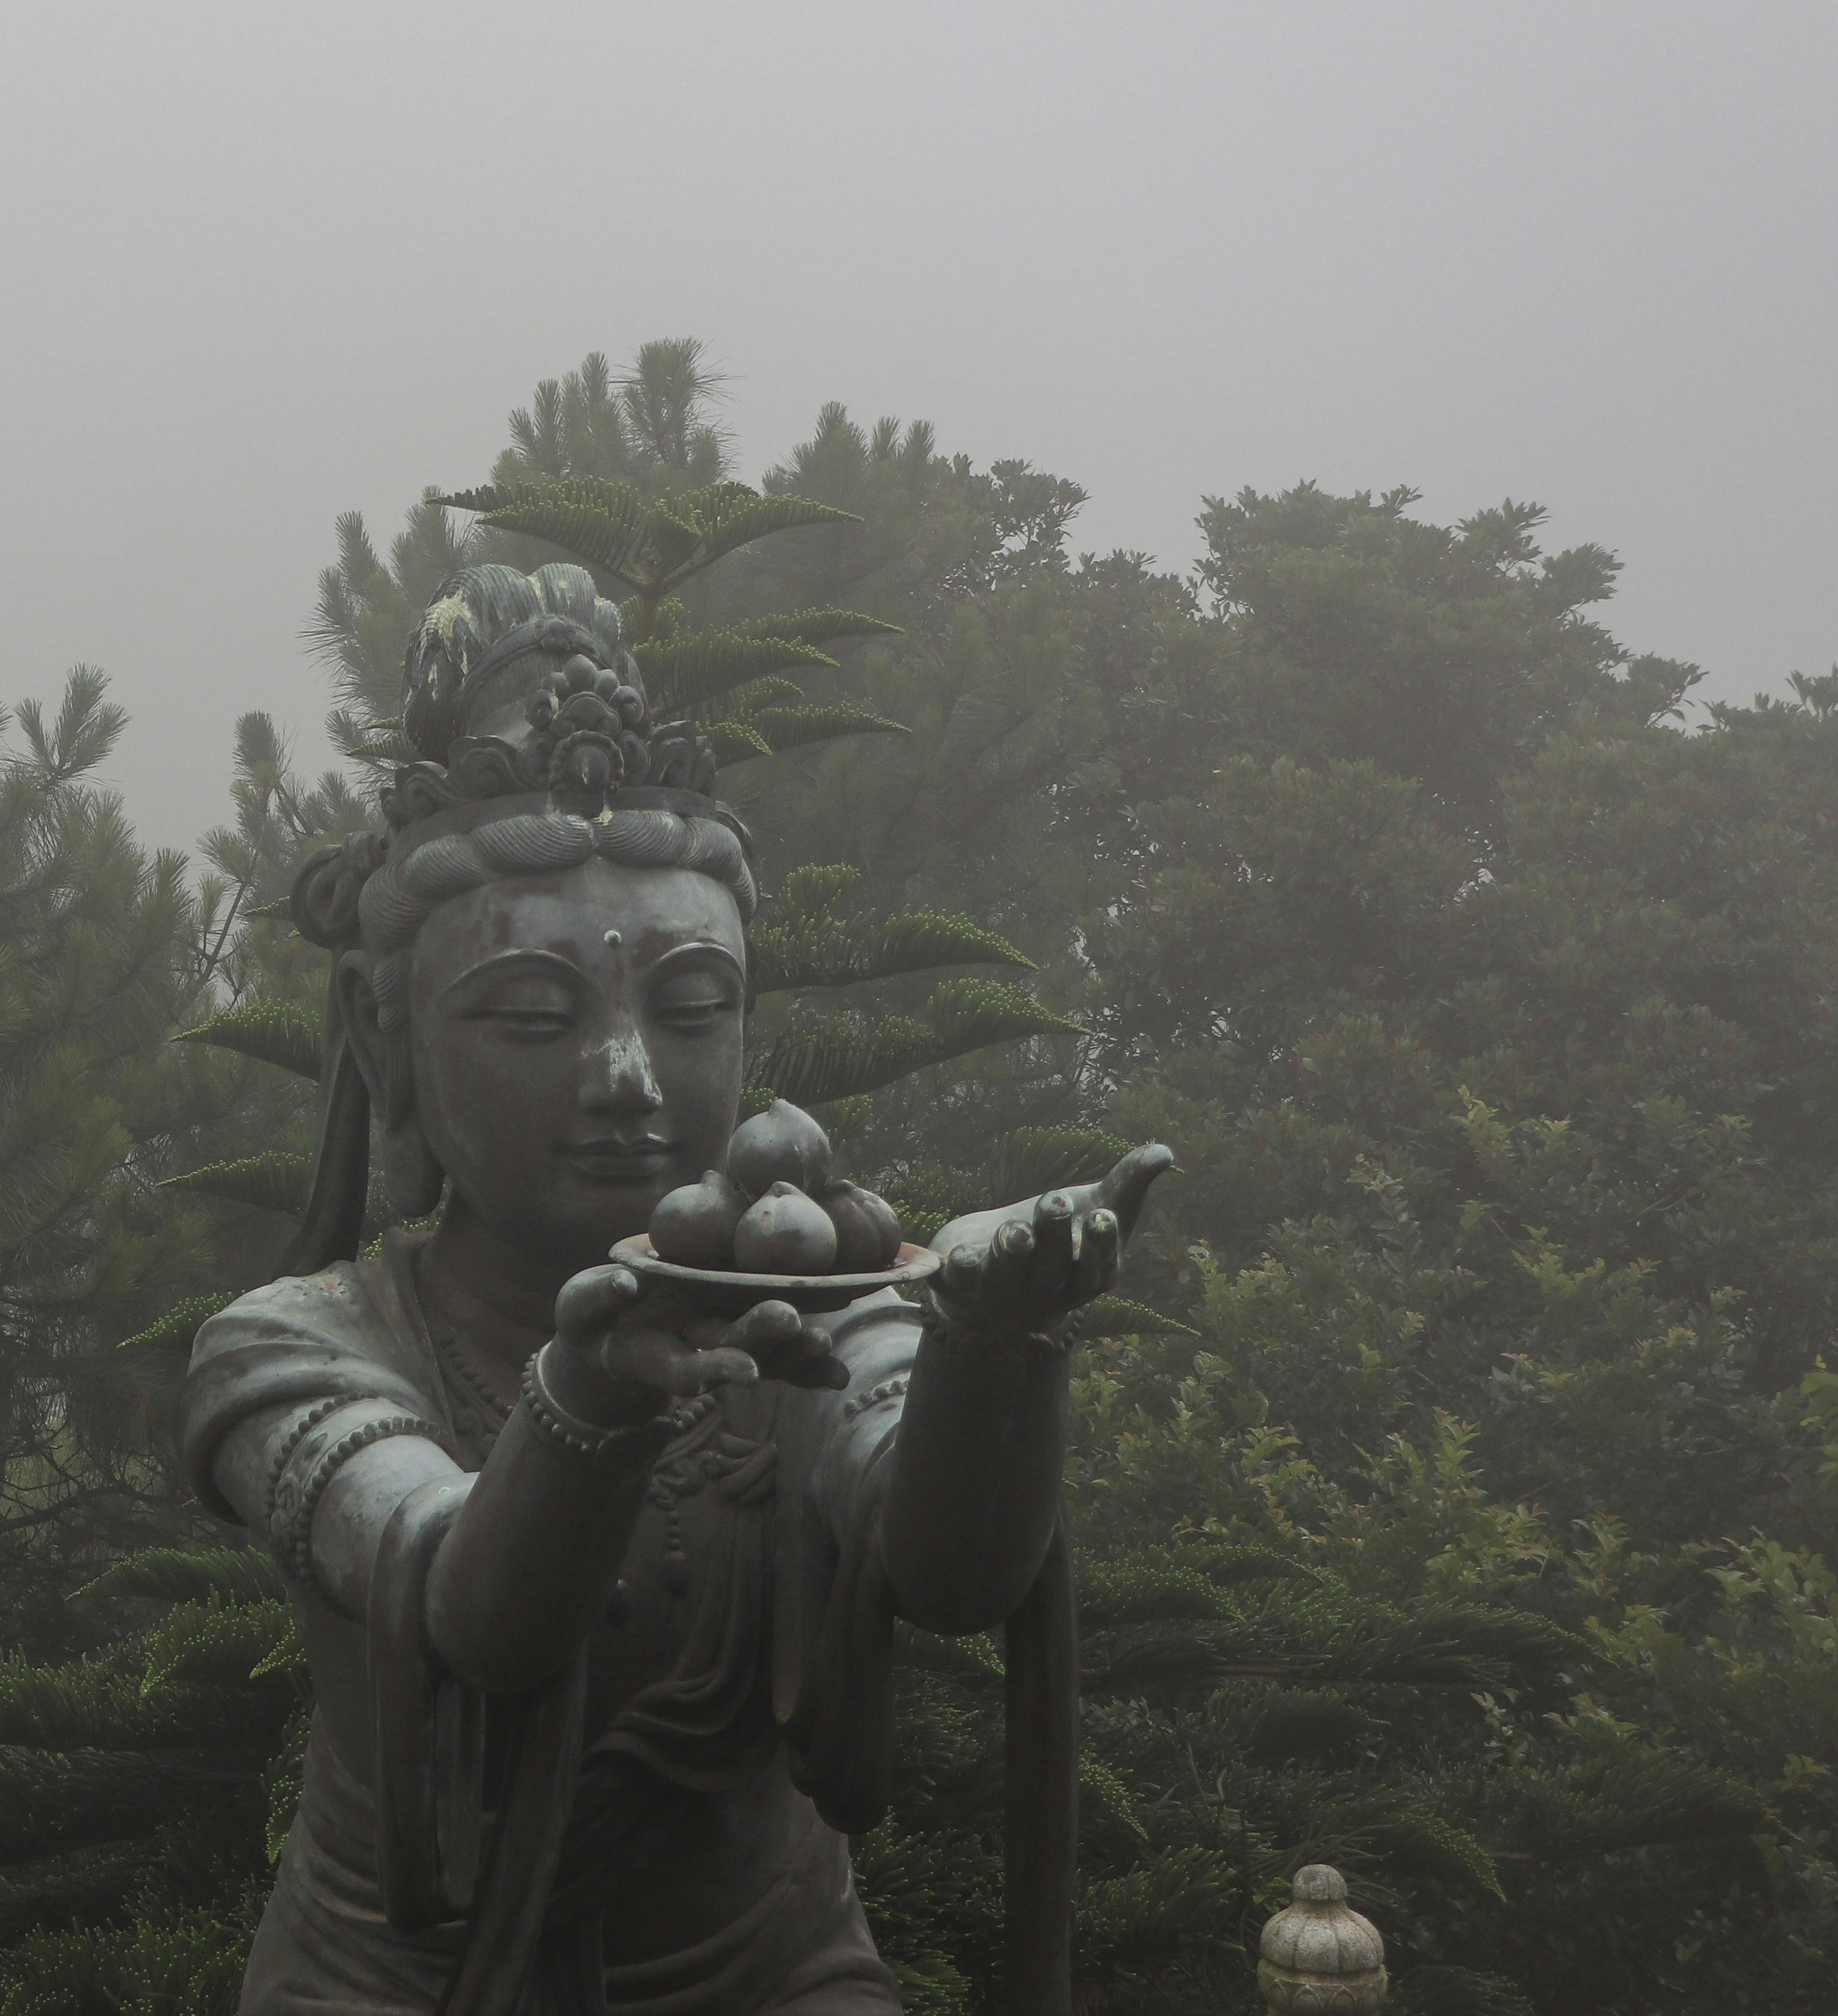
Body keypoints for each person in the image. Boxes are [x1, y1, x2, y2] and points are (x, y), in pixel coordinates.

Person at [182, 563, 1166, 2016]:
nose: (629, 1082)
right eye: (532, 1015)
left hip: (764, 1972)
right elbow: (476, 1618)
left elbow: (954, 1574)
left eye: (694, 1008)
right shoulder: (295, 1351)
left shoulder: (816, 1301)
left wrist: (988, 1343)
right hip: (400, 1986)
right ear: (389, 1050)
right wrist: (593, 1391)